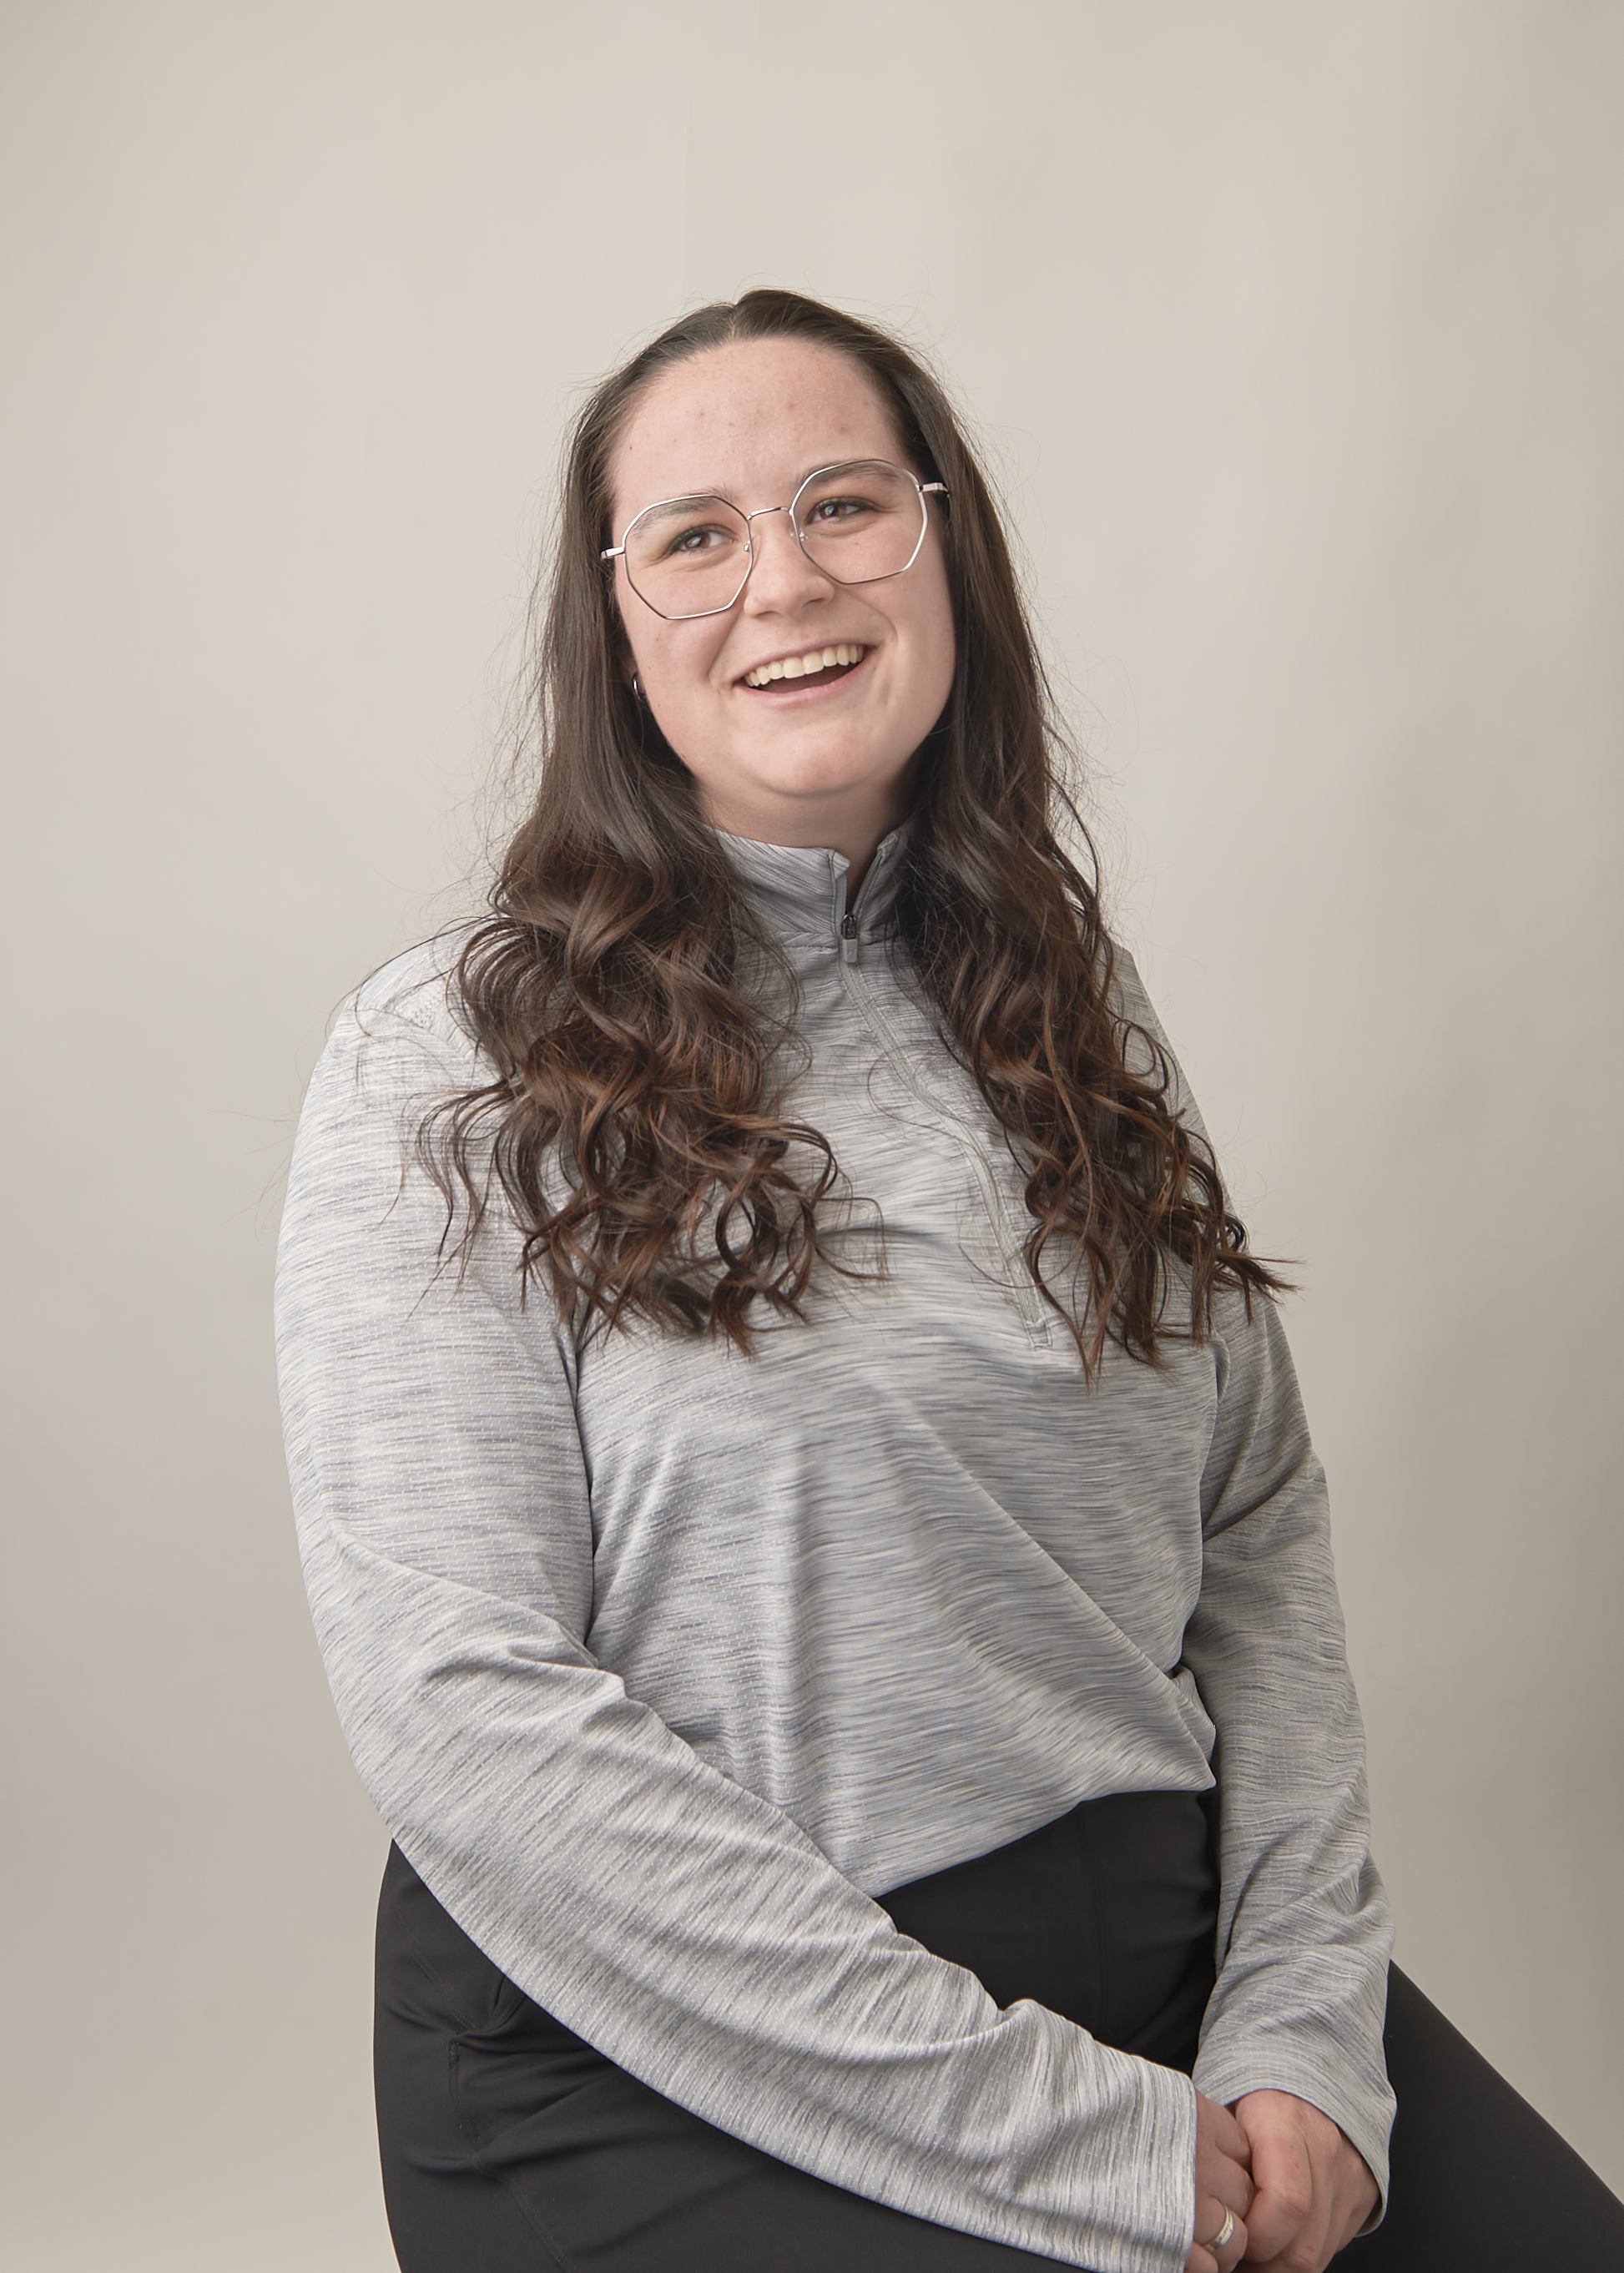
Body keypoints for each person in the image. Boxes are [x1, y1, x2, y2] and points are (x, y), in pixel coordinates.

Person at [276, 290, 1624, 2273]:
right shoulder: (451, 1060)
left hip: (1170, 1990)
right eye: (695, 536)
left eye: (845, 503)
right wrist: (1062, 2135)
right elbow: (460, 1702)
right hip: (668, 2055)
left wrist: (1303, 2029)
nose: (785, 581)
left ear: (942, 545)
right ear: (618, 620)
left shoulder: (1063, 1002)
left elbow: (1252, 1526)